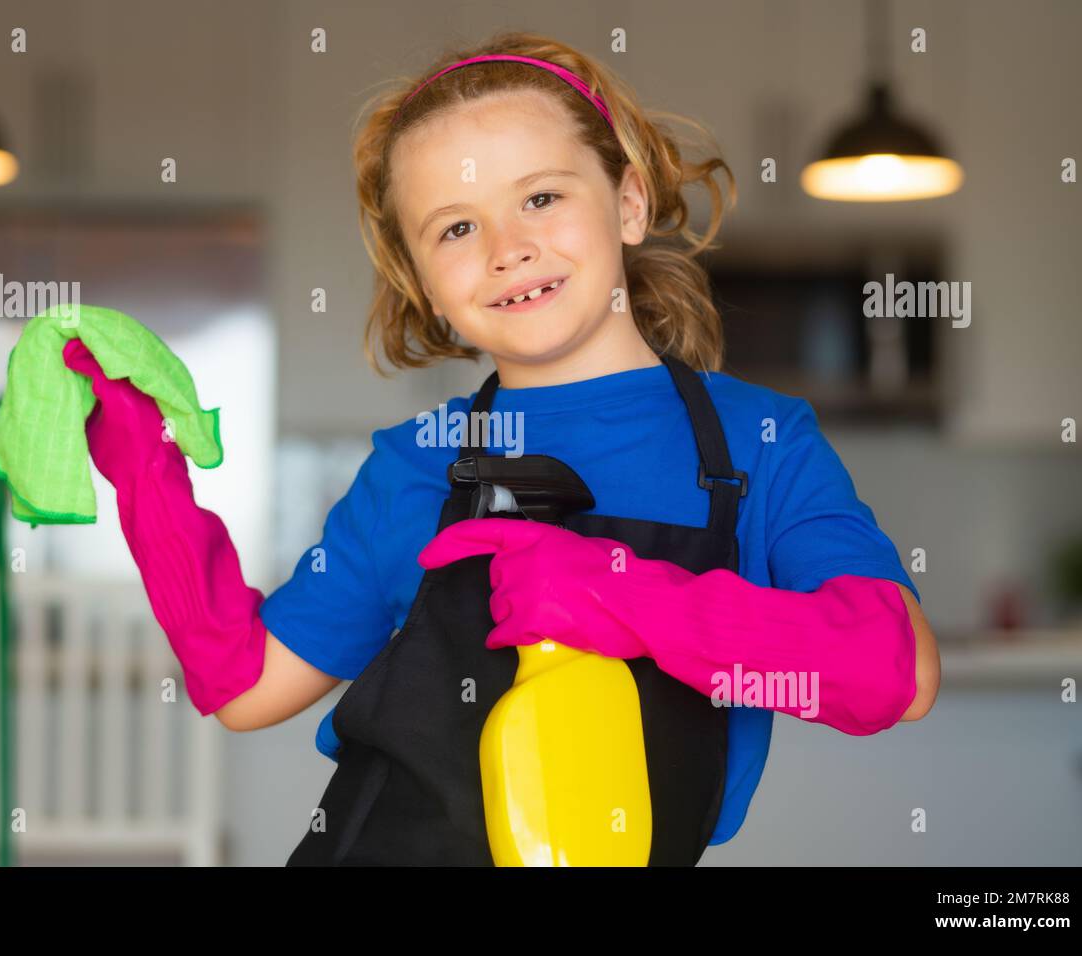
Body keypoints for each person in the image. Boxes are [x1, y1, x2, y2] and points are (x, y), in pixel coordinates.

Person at [64, 30, 941, 866]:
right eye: (455, 228)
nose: (509, 250)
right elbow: (244, 685)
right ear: (425, 286)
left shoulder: (760, 443)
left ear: (628, 203)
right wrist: (146, 472)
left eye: (541, 197)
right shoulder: (416, 463)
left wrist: (622, 596)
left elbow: (895, 670)